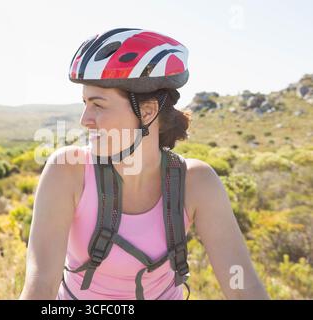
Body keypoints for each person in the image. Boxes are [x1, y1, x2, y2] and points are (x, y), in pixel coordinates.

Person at [19, 28, 269, 300]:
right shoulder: (67, 171)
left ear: (147, 111)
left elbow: (242, 285)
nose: (85, 120)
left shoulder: (197, 182)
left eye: (98, 105)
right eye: (84, 103)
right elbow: (41, 284)